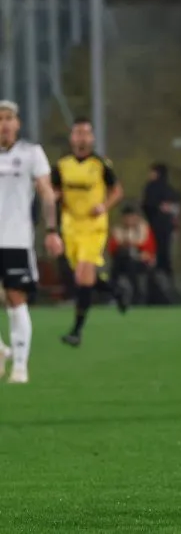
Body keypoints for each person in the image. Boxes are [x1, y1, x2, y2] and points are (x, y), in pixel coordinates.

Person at [0, 101, 62, 383]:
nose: (4, 123)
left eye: (9, 118)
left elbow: (47, 193)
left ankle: (20, 366)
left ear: (18, 123)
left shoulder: (31, 153)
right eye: (0, 118)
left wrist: (51, 229)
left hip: (15, 239)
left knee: (15, 298)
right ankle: (2, 350)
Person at [52, 117, 124, 347]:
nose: (82, 137)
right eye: (78, 133)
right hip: (71, 226)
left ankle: (76, 331)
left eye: (86, 133)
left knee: (83, 274)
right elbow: (54, 192)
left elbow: (117, 191)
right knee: (83, 278)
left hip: (94, 226)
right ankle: (115, 290)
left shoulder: (101, 164)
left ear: (92, 138)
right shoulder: (62, 165)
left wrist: (104, 206)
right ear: (72, 138)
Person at [107, 204, 157, 305]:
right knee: (119, 264)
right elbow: (112, 249)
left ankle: (137, 296)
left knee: (133, 267)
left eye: (132, 217)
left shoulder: (144, 229)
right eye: (127, 217)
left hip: (141, 261)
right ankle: (114, 295)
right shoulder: (118, 230)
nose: (129, 220)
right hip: (122, 262)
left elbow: (150, 249)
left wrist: (136, 247)